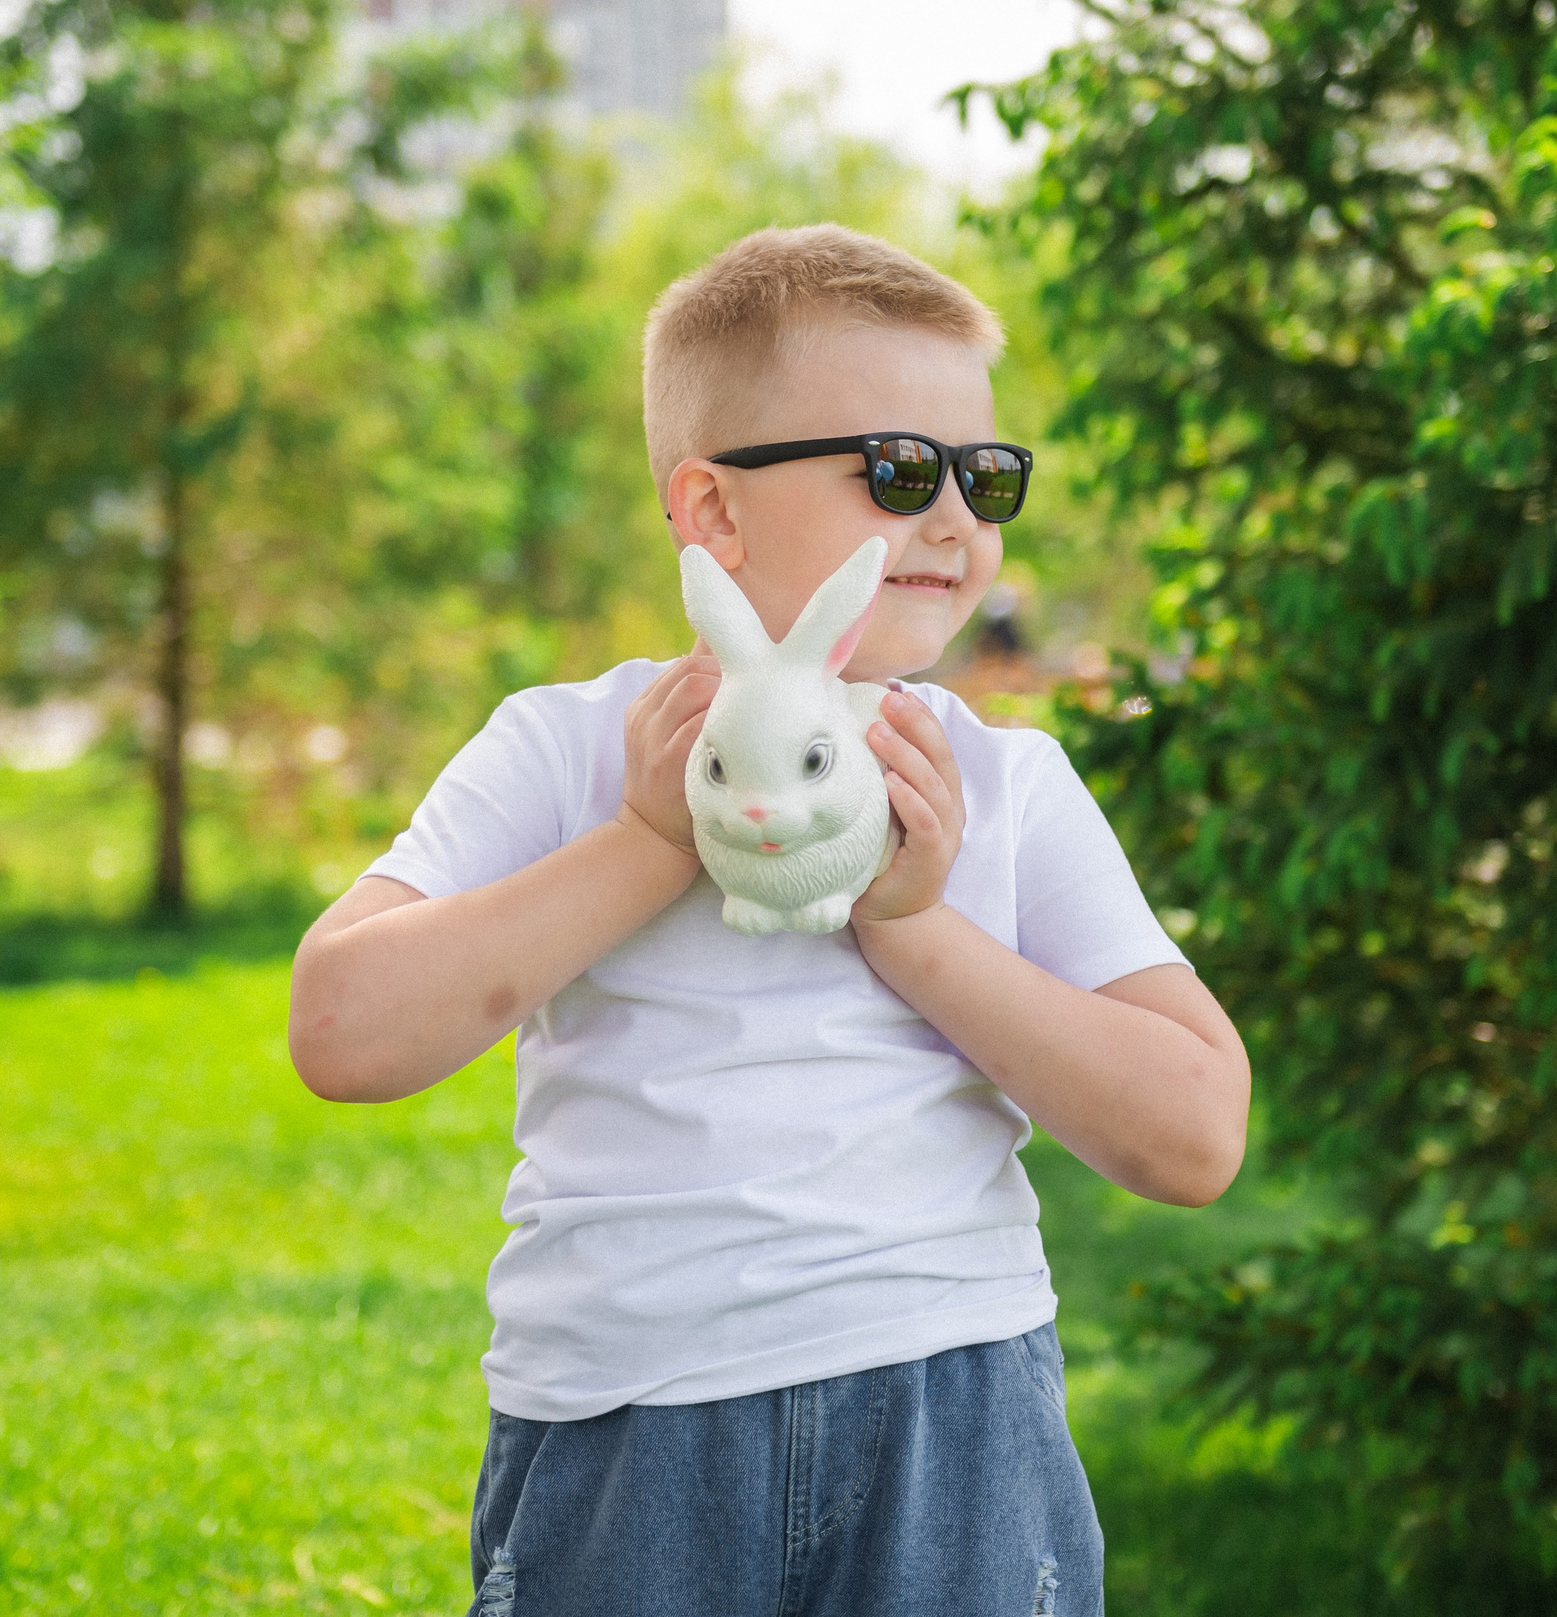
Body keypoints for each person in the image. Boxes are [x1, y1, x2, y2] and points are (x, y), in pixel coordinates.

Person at [287, 224, 1251, 1617]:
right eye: (899, 469)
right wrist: (641, 842)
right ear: (713, 512)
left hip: (951, 1409)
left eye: (987, 478)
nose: (954, 523)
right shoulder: (568, 748)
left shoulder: (1000, 780)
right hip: (630, 1429)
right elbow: (343, 1025)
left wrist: (917, 922)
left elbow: (1195, 1129)